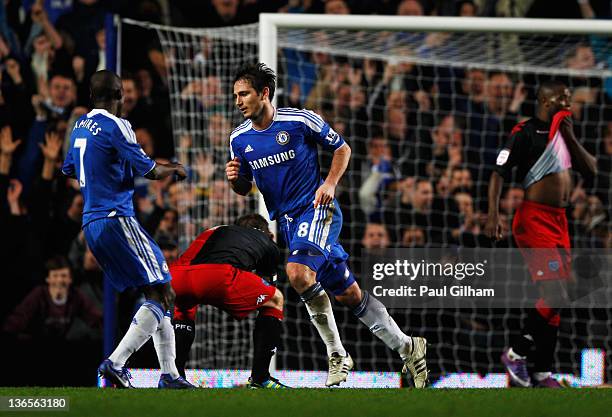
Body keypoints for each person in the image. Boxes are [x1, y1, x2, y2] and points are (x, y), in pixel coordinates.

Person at [226, 63, 428, 388]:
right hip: (290, 223)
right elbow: (244, 185)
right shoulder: (239, 139)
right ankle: (408, 346)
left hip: (318, 208)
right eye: (235, 95)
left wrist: (330, 184)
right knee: (349, 294)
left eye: (244, 93)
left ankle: (337, 355)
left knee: (297, 274)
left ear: (264, 93)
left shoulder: (299, 120)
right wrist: (236, 181)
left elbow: (342, 148)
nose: (238, 100)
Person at [62, 70, 192, 389]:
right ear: (119, 94)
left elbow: (68, 168)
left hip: (92, 224)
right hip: (116, 217)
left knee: (156, 291)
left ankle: (170, 375)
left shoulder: (80, 127)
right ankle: (116, 363)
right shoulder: (117, 125)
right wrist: (175, 168)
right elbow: (149, 170)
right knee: (164, 291)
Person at [485, 80, 597, 388]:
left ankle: (542, 373)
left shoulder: (565, 134)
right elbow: (498, 173)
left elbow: (591, 171)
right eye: (563, 99)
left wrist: (570, 134)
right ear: (547, 102)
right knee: (556, 294)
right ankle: (515, 354)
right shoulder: (525, 133)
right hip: (534, 220)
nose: (569, 104)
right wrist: (494, 214)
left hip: (560, 221)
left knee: (562, 297)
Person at [171, 213, 288, 389]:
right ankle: (260, 378)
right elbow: (267, 286)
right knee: (275, 299)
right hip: (217, 276)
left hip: (176, 277)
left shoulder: (217, 230)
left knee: (184, 312)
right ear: (268, 234)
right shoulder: (267, 241)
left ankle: (174, 377)